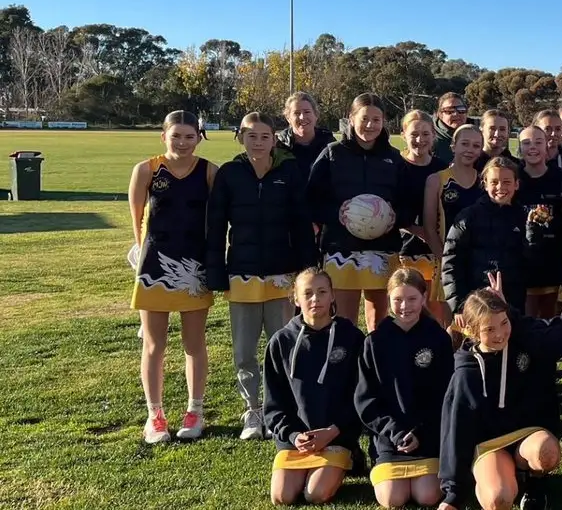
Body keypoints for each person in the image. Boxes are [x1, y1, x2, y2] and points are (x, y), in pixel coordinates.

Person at [206, 111, 317, 441]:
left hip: (282, 275)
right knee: (244, 351)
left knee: (282, 347)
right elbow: (215, 229)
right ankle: (252, 410)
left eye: (264, 136)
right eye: (251, 135)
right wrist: (216, 274)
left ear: (274, 139)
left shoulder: (289, 171)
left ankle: (278, 410)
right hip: (241, 273)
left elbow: (301, 225)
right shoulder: (229, 174)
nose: (258, 142)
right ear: (241, 137)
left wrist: (306, 270)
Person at [438, 276, 562, 510]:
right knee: (499, 499)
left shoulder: (523, 344)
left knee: (547, 452)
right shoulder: (466, 373)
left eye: (504, 322)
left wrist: (511, 310)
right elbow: (455, 430)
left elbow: (548, 335)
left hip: (525, 435)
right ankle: (491, 480)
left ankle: (534, 484)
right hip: (489, 445)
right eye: (489, 328)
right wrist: (453, 494)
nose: (500, 334)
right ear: (473, 331)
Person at [128, 110, 216, 443]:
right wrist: (141, 260)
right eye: (175, 135)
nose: (182, 142)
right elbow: (137, 223)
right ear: (163, 136)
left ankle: (195, 411)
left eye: (189, 136)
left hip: (194, 269)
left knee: (194, 343)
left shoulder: (210, 171)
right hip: (154, 269)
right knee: (154, 345)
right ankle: (155, 416)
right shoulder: (146, 170)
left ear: (198, 137)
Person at [306, 93, 414, 330]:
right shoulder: (332, 153)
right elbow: (312, 200)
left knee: (380, 319)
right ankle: (347, 365)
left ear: (383, 121)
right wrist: (337, 213)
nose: (370, 125)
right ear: (351, 118)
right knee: (345, 321)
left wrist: (396, 217)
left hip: (383, 248)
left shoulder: (393, 158)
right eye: (364, 118)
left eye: (376, 119)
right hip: (341, 249)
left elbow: (408, 203)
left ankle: (373, 365)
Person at [264, 268, 365, 506]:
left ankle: (350, 458)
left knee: (316, 494)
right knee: (282, 497)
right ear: (296, 299)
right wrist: (294, 435)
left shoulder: (351, 338)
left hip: (336, 436)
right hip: (297, 440)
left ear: (332, 296)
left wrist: (333, 431)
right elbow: (273, 404)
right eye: (307, 293)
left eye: (322, 292)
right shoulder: (280, 342)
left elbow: (361, 397)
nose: (315, 299)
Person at [355, 269, 453, 508]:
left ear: (424, 297)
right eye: (397, 299)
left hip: (429, 438)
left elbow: (446, 396)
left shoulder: (438, 338)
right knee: (393, 499)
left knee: (427, 496)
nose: (404, 306)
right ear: (388, 299)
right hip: (391, 440)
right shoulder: (375, 342)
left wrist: (421, 432)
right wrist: (395, 432)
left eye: (411, 299)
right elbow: (366, 401)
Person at [442, 158, 528, 312]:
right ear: (485, 183)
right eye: (494, 182)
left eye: (507, 182)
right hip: (475, 301)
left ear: (516, 184)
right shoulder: (468, 217)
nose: (500, 187)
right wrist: (458, 306)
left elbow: (529, 261)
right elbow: (451, 262)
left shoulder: (523, 217)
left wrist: (534, 237)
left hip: (513, 302)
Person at [423, 124, 485, 321]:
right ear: (453, 146)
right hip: (448, 265)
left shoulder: (484, 181)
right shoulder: (437, 180)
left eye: (476, 145)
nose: (470, 150)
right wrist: (446, 262)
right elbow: (429, 228)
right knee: (450, 326)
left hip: (477, 265)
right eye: (464, 144)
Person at [398, 111, 449, 308]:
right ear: (403, 135)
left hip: (437, 249)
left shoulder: (442, 169)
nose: (420, 139)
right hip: (406, 250)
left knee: (436, 309)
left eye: (426, 134)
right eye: (414, 134)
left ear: (434, 135)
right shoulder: (396, 166)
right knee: (411, 307)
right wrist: (416, 229)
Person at [515, 126, 562, 318]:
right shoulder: (512, 178)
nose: (533, 147)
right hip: (521, 267)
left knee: (552, 326)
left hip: (553, 267)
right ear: (519, 148)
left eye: (538, 142)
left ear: (547, 146)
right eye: (526, 143)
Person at [276, 92, 336, 183]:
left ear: (316, 115)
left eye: (307, 112)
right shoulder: (280, 146)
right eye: (297, 113)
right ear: (288, 118)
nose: (302, 117)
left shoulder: (329, 145)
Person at [432, 93, 470, 164]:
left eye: (461, 109)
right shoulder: (430, 138)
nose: (456, 114)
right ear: (440, 115)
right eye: (450, 110)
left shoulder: (475, 134)